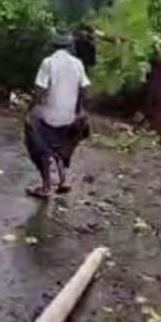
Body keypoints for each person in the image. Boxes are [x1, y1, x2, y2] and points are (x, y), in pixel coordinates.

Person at [24, 33, 91, 198]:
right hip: (69, 117)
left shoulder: (48, 62)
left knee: (39, 145)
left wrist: (30, 109)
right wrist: (79, 108)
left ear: (54, 46)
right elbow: (84, 88)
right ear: (70, 47)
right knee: (61, 147)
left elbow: (39, 90)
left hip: (49, 116)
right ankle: (64, 180)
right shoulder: (78, 64)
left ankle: (46, 186)